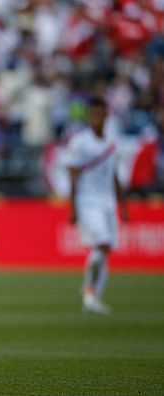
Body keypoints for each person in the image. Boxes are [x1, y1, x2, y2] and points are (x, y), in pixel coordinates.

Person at [66, 97, 129, 315]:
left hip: (107, 202)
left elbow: (114, 176)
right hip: (87, 202)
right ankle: (89, 291)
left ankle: (93, 296)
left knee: (106, 250)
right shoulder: (80, 142)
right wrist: (72, 207)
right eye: (93, 114)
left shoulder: (112, 143)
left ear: (106, 115)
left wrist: (123, 205)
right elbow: (72, 175)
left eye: (100, 114)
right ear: (88, 116)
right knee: (102, 244)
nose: (96, 118)